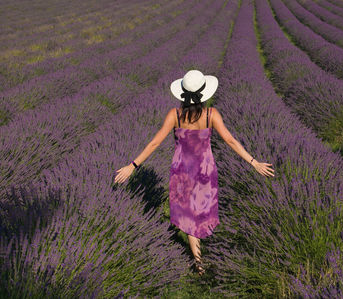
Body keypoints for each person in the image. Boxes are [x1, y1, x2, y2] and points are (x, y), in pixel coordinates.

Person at [114, 70, 275, 276]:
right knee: (202, 211)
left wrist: (132, 165)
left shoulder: (175, 115)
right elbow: (230, 140)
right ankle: (204, 254)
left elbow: (154, 143)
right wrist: (254, 162)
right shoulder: (211, 114)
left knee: (189, 217)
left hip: (181, 171)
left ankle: (198, 261)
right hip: (205, 170)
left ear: (183, 93)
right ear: (204, 92)